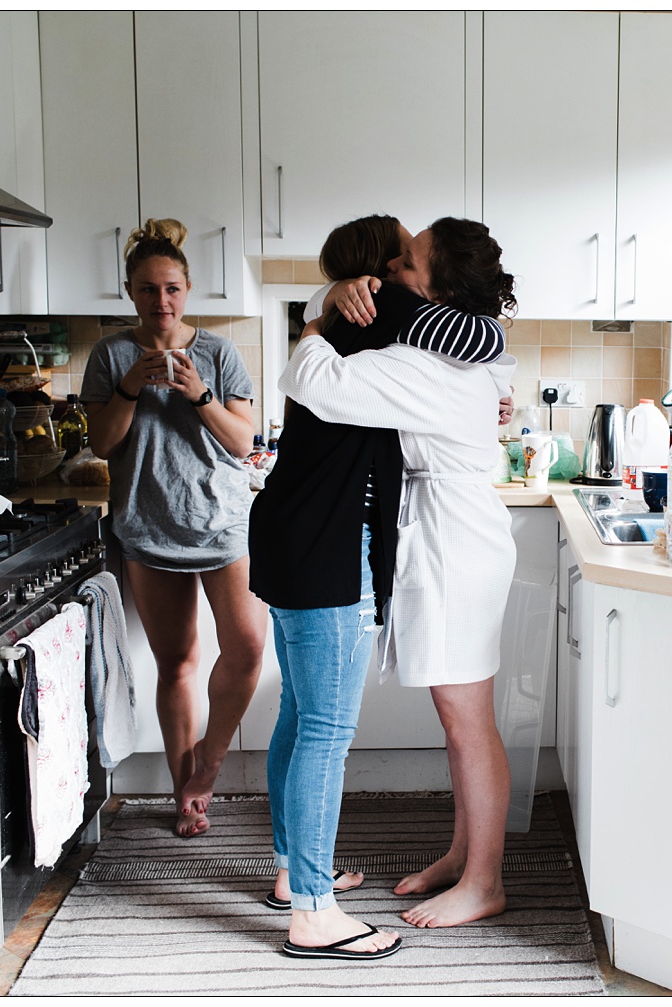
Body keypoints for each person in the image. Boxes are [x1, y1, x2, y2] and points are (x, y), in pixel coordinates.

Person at [249, 214, 507, 959]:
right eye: (394, 257)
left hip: (454, 542)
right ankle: (441, 864)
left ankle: (479, 877)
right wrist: (327, 303)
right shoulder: (400, 336)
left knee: (464, 719)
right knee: (344, 717)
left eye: (411, 259)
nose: (397, 266)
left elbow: (311, 374)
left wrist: (317, 312)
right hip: (418, 539)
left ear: (434, 290)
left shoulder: (414, 348)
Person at [80, 218, 265, 839]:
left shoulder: (217, 352)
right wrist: (130, 388)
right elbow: (103, 443)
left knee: (246, 649)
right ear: (130, 292)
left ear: (188, 290)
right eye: (148, 289)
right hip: (147, 525)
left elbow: (243, 442)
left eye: (173, 289)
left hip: (221, 524)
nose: (161, 301)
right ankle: (184, 793)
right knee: (178, 663)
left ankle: (209, 762)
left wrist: (200, 393)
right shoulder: (109, 355)